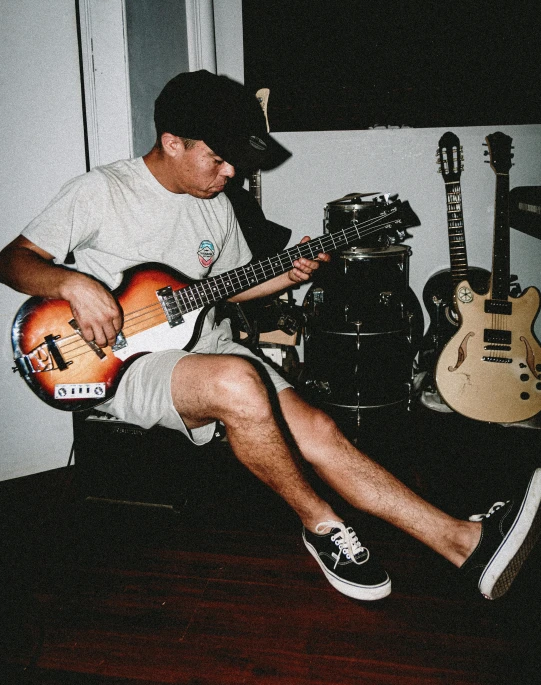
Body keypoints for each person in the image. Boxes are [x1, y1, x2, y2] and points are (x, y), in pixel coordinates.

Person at [0, 69, 539, 603]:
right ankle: (321, 525)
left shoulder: (216, 206)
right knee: (237, 381)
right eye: (218, 158)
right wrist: (72, 284)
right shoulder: (102, 192)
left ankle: (465, 544)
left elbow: (224, 289)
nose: (230, 172)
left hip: (203, 345)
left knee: (321, 430)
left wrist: (288, 272)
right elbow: (13, 261)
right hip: (120, 362)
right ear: (172, 142)